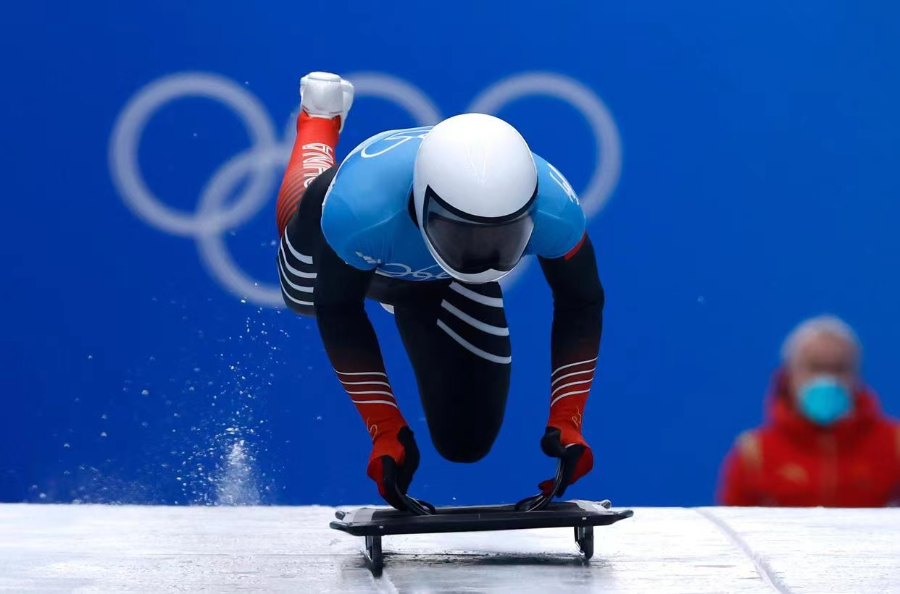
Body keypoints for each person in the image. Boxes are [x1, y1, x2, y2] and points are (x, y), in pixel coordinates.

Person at [274, 72, 604, 509]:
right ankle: (318, 122)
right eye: (463, 235)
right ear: (423, 202)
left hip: (444, 277)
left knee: (465, 441)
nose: (484, 251)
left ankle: (421, 288)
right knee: (302, 296)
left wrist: (568, 420)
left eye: (503, 237)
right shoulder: (358, 212)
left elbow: (582, 301)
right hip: (359, 244)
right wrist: (385, 429)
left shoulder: (557, 211)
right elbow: (340, 311)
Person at [717, 315, 900, 507]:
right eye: (815, 367)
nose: (827, 379)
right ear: (789, 374)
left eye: (839, 368)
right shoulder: (754, 455)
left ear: (857, 375)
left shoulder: (894, 445)